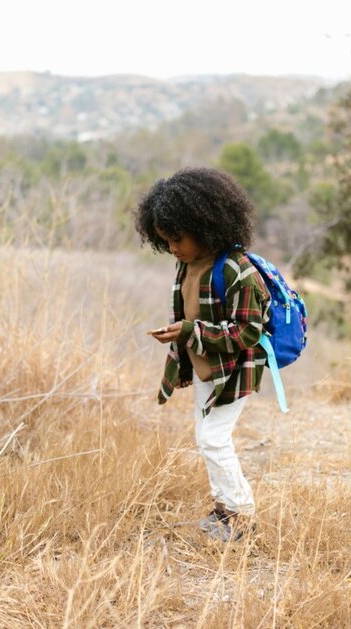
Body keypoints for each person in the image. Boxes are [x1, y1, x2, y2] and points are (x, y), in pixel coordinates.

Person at [134, 167, 270, 542]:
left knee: (213, 438)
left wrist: (191, 331)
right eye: (166, 241)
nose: (173, 248)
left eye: (178, 238)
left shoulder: (237, 270)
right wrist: (179, 333)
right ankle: (224, 509)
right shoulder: (187, 264)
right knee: (206, 437)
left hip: (234, 370)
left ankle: (242, 516)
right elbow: (192, 312)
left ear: (206, 223)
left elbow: (248, 331)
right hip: (204, 367)